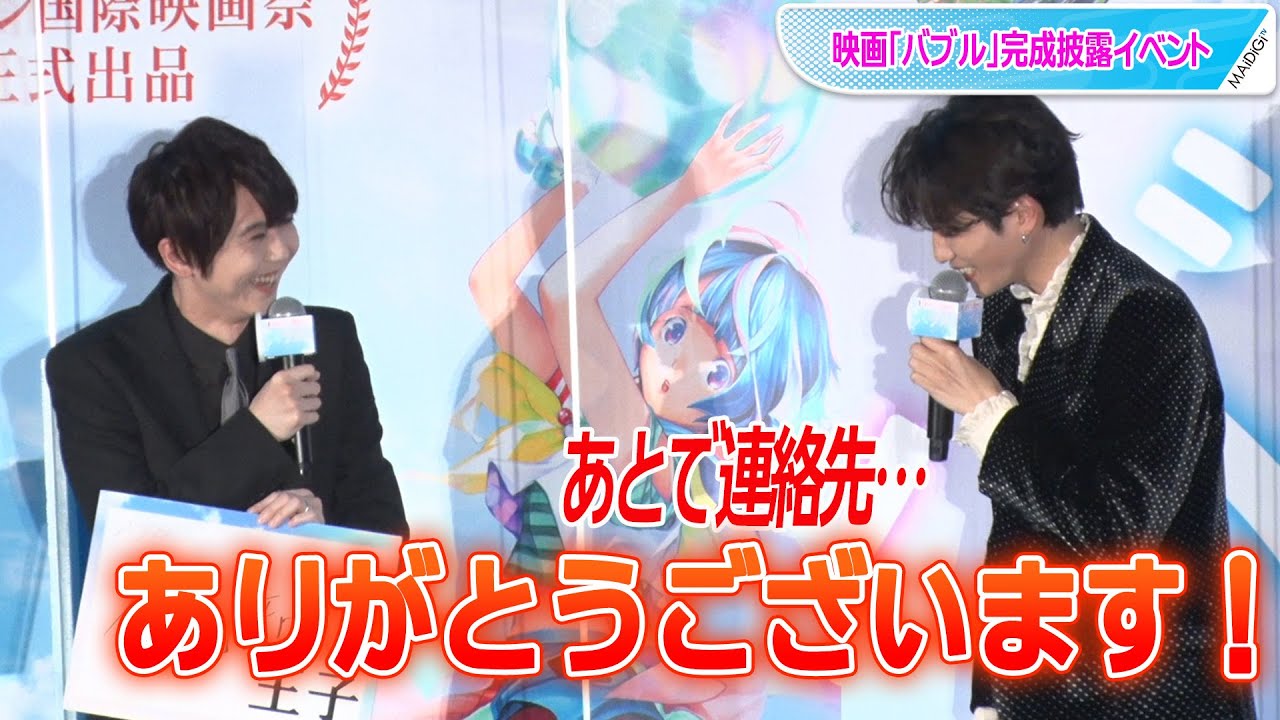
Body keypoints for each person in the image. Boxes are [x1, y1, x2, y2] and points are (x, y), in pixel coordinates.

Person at [880, 96, 1256, 719]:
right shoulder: (1002, 311)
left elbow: (1119, 534)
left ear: (1023, 214)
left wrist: (989, 410)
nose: (942, 253)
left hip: (1148, 694)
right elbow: (1021, 525)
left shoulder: (1147, 316)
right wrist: (992, 695)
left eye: (954, 229)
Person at [47, 117, 409, 541]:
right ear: (179, 256)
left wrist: (326, 529)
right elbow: (129, 537)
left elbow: (382, 520)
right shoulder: (95, 367)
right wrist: (257, 432)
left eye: (285, 222)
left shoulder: (328, 339)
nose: (282, 250)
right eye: (256, 237)